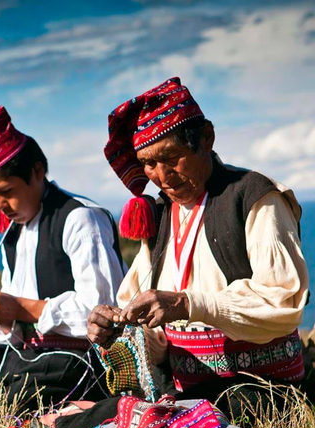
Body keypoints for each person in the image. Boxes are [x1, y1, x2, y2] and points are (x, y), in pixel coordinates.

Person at [87, 77, 309, 408]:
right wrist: (118, 331)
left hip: (261, 391)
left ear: (206, 138)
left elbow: (283, 303)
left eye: (171, 157)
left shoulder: (253, 197)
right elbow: (156, 338)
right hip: (189, 394)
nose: (162, 176)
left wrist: (188, 304)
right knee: (94, 422)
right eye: (149, 163)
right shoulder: (161, 215)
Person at [0, 106, 126, 413]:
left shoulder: (81, 219)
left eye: (6, 191)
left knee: (18, 397)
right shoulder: (13, 235)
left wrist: (21, 308)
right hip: (28, 358)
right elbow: (15, 327)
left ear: (37, 171)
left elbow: (105, 315)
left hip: (77, 362)